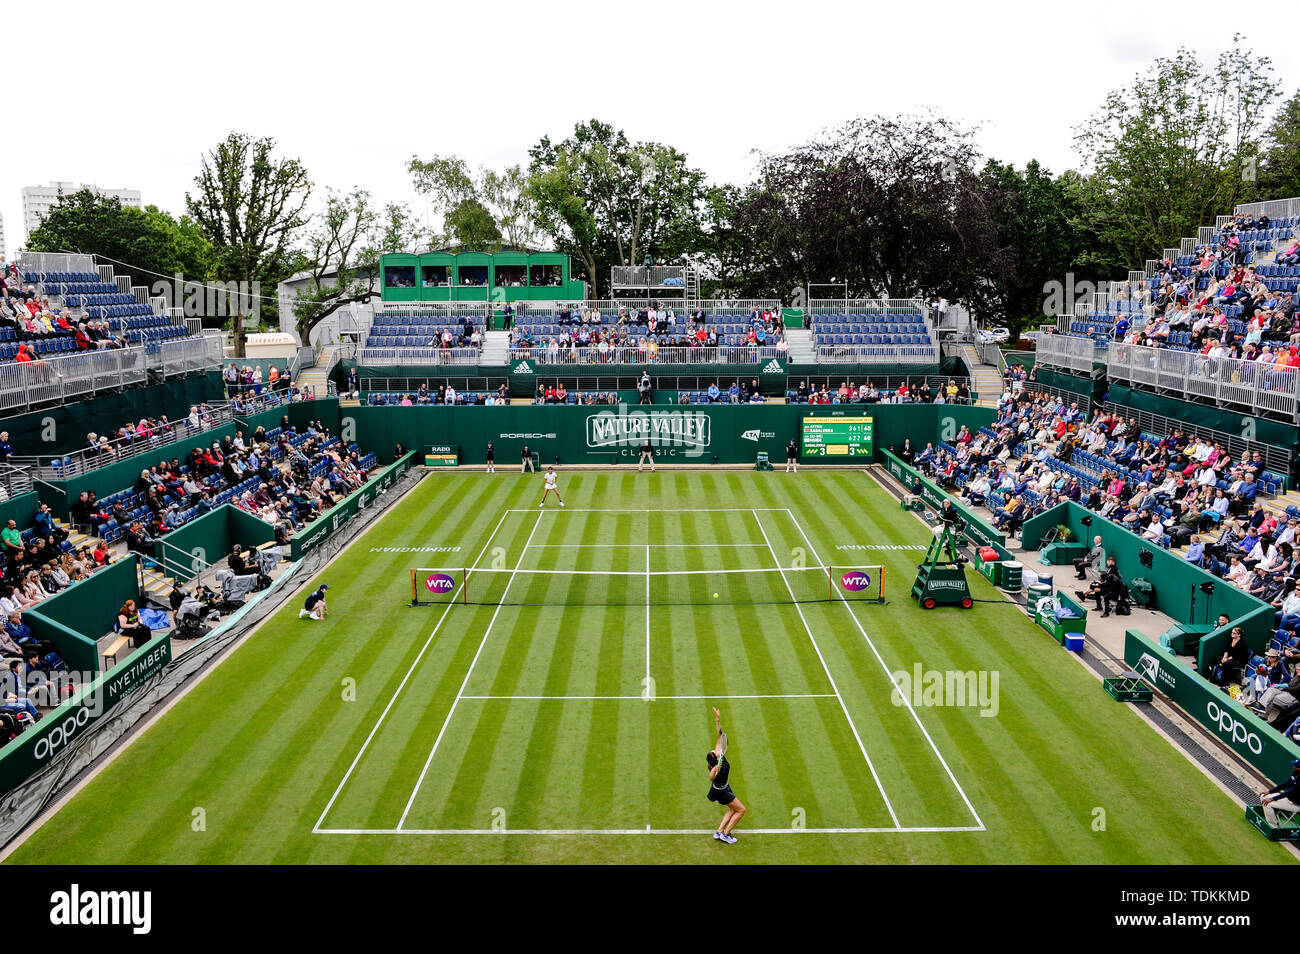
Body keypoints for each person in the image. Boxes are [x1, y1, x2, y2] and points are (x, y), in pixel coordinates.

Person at [707, 706, 745, 843]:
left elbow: (719, 734)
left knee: (732, 809)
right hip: (721, 790)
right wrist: (715, 770)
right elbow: (710, 778)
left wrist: (717, 719)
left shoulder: (718, 754)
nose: (715, 749)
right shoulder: (715, 768)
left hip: (723, 787)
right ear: (714, 760)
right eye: (714, 752)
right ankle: (726, 834)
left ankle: (719, 832)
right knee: (741, 810)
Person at [1260, 760, 1300, 827]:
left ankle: (1273, 827)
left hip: (1297, 805)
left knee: (1268, 804)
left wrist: (1273, 798)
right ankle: (1272, 818)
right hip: (1289, 799)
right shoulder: (1296, 773)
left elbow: (1290, 792)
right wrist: (1269, 791)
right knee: (1263, 796)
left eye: (1296, 766)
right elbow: (1285, 784)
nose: (1294, 767)